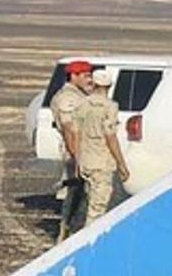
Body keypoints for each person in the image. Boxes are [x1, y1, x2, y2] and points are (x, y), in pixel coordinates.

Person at [50, 60, 128, 236]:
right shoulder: (68, 98)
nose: (89, 80)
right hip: (82, 155)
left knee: (83, 199)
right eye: (85, 76)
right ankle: (72, 236)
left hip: (85, 154)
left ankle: (72, 235)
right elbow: (70, 130)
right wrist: (78, 159)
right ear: (73, 76)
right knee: (82, 199)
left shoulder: (80, 97)